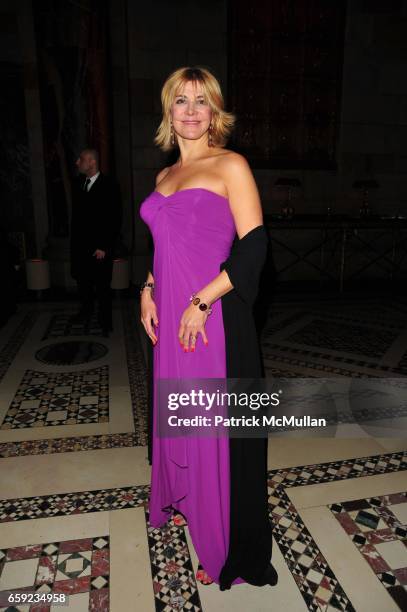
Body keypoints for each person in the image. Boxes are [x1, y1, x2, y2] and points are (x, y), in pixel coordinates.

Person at [140, 67, 277, 590]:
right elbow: (163, 246)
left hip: (213, 320)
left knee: (218, 432)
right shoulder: (162, 177)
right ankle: (193, 509)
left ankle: (228, 547)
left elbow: (255, 246)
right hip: (171, 317)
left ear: (215, 111)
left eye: (202, 101)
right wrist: (147, 290)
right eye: (181, 101)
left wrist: (201, 300)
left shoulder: (231, 165)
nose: (191, 111)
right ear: (168, 111)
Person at [70, 149, 122, 335]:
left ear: (91, 162)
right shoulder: (78, 184)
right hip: (80, 247)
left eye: (81, 159)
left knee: (102, 287)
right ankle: (86, 312)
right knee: (83, 283)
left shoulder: (109, 185)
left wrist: (104, 246)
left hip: (99, 248)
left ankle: (105, 321)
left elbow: (114, 218)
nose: (77, 162)